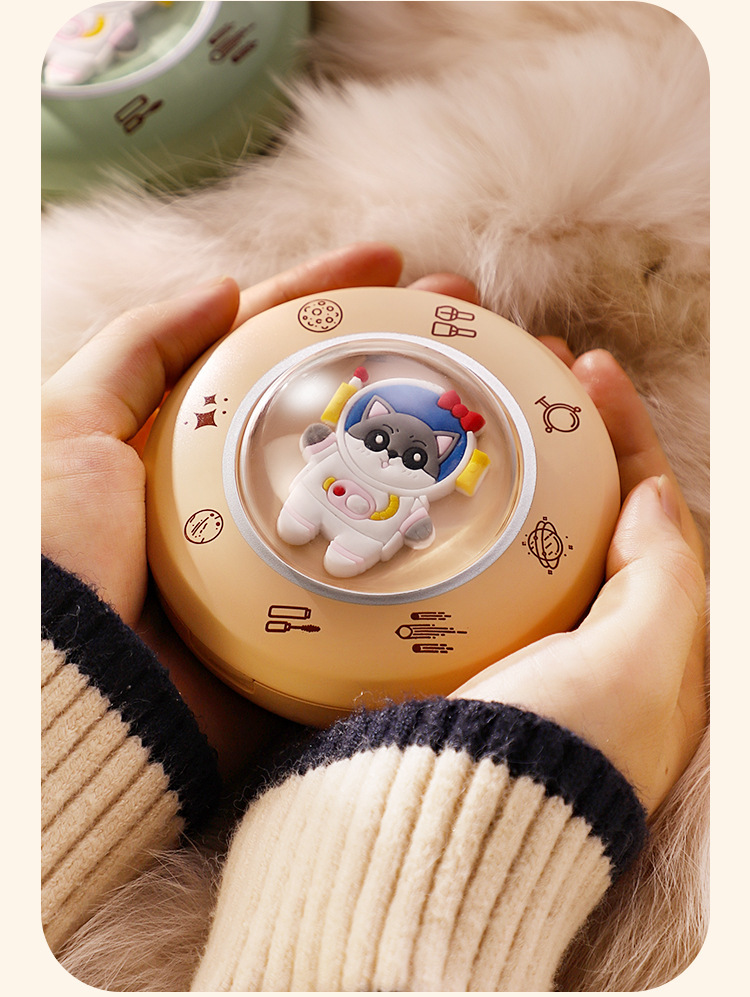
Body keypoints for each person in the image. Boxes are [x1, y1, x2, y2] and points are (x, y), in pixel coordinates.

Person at [41, 243, 706, 991]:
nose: (391, 455)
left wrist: (54, 658)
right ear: (361, 421)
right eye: (379, 437)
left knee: (349, 539)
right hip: (299, 511)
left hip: (388, 551)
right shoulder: (324, 445)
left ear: (446, 463)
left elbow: (414, 521)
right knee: (303, 512)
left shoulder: (415, 498)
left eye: (416, 458)